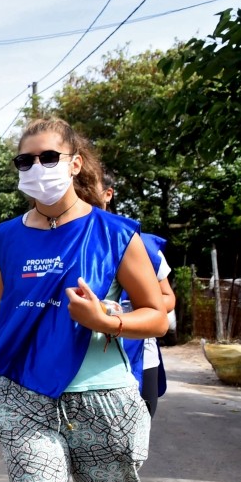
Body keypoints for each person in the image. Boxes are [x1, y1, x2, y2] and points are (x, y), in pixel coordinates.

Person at [0, 117, 167, 482]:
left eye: (48, 157)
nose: (36, 167)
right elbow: (6, 314)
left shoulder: (116, 233)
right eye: (26, 160)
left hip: (103, 403)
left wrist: (105, 321)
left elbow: (157, 316)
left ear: (75, 163)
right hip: (23, 398)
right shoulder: (4, 237)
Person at [98, 171, 176, 417]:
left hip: (139, 354)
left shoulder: (139, 242)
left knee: (133, 441)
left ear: (108, 194)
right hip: (87, 360)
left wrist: (127, 311)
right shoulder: (64, 243)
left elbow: (168, 299)